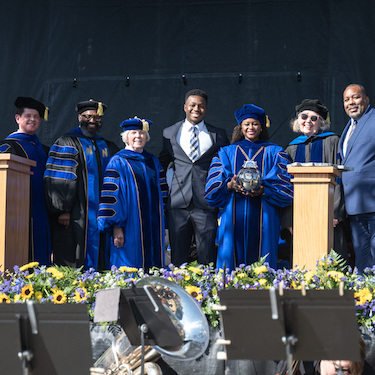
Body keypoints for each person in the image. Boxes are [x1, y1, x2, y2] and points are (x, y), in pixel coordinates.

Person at [205, 104, 293, 270]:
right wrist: (229, 185)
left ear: (261, 127)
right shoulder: (226, 152)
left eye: (255, 124)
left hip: (265, 215)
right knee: (231, 259)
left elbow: (286, 186)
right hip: (232, 216)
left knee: (263, 261)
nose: (250, 127)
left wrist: (264, 190)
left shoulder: (275, 152)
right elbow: (212, 190)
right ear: (240, 127)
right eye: (247, 124)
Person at [44, 99, 119, 270]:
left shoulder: (109, 146)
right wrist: (62, 209)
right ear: (79, 118)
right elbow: (58, 178)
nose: (92, 120)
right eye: (88, 116)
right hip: (76, 214)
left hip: (102, 214)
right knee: (73, 254)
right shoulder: (66, 142)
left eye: (97, 118)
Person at [159, 89, 229, 266]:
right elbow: (161, 163)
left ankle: (208, 293)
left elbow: (225, 167)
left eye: (201, 106)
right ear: (185, 107)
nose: (196, 109)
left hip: (206, 203)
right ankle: (178, 292)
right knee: (178, 258)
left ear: (206, 109)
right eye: (192, 105)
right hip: (177, 204)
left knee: (207, 257)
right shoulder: (169, 133)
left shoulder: (219, 135)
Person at [97, 117, 168, 269]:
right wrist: (116, 227)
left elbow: (163, 194)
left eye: (142, 133)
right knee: (129, 267)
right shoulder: (118, 162)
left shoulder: (153, 161)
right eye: (133, 132)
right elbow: (111, 197)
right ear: (126, 137)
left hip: (154, 227)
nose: (138, 136)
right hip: (129, 227)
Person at [284, 99, 348, 260]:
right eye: (304, 116)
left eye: (314, 118)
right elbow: (286, 186)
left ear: (321, 122)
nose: (308, 121)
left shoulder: (333, 141)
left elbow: (340, 179)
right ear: (298, 121)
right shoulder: (291, 148)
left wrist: (335, 213)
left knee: (332, 257)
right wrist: (289, 219)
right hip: (300, 215)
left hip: (328, 214)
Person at [0, 97, 51, 265]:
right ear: (18, 119)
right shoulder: (8, 147)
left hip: (43, 213)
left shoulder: (45, 149)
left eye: (36, 116)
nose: (33, 120)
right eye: (28, 115)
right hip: (17, 215)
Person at [339, 84, 375, 273]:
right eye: (346, 100)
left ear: (366, 100)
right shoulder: (350, 127)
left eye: (356, 97)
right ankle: (366, 299)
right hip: (355, 205)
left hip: (372, 201)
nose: (351, 102)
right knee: (362, 258)